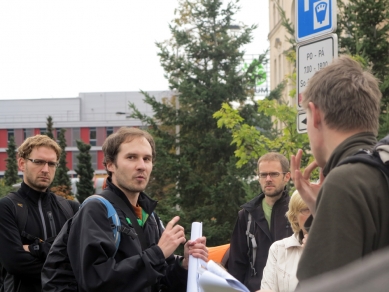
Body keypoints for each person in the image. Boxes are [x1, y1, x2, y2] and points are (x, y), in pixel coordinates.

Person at [62, 127, 208, 291]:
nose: (141, 166)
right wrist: (158, 253)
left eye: (147, 159)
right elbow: (96, 281)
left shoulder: (149, 216)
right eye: (131, 157)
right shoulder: (96, 209)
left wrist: (183, 265)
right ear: (110, 164)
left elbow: (158, 284)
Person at [290, 55, 389, 282]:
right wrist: (321, 208)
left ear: (315, 115)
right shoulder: (380, 170)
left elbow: (320, 285)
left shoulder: (345, 182)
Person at [0, 135, 79, 292]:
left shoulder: (72, 209)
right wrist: (65, 269)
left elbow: (81, 256)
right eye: (38, 162)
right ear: (22, 163)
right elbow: (16, 263)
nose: (45, 169)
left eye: (51, 164)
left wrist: (36, 249)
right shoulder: (7, 207)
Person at [228, 152, 293, 292]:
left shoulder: (297, 212)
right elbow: (237, 264)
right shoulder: (246, 215)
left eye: (274, 174)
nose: (268, 179)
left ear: (287, 176)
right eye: (263, 175)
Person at [260, 190, 310, 292]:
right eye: (306, 210)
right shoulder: (279, 249)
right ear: (294, 217)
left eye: (319, 209)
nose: (313, 215)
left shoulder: (339, 248)